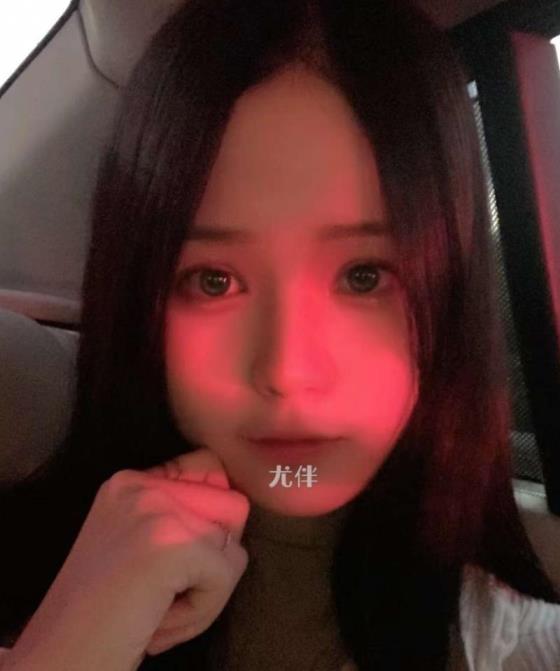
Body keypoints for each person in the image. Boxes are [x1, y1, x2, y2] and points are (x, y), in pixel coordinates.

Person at [1, 0, 559, 669]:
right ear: (138, 299)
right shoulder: (30, 574)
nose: (288, 368)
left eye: (364, 276)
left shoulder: (512, 641)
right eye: (213, 281)